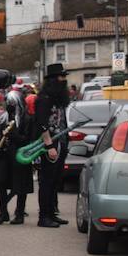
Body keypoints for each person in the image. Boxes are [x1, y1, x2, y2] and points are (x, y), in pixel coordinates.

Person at [33, 64, 72, 228]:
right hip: (50, 143)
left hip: (61, 141)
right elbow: (41, 124)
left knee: (56, 180)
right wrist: (49, 146)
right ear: (53, 80)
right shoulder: (44, 98)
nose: (64, 80)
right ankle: (43, 216)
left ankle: (51, 213)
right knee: (47, 181)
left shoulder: (58, 97)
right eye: (61, 77)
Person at [0, 90, 35, 224]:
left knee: (20, 184)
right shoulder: (3, 117)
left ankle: (19, 213)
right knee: (0, 180)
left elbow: (27, 138)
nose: (10, 105)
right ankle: (3, 212)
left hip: (19, 154)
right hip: (3, 152)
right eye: (8, 102)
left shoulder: (27, 118)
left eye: (12, 102)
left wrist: (13, 134)